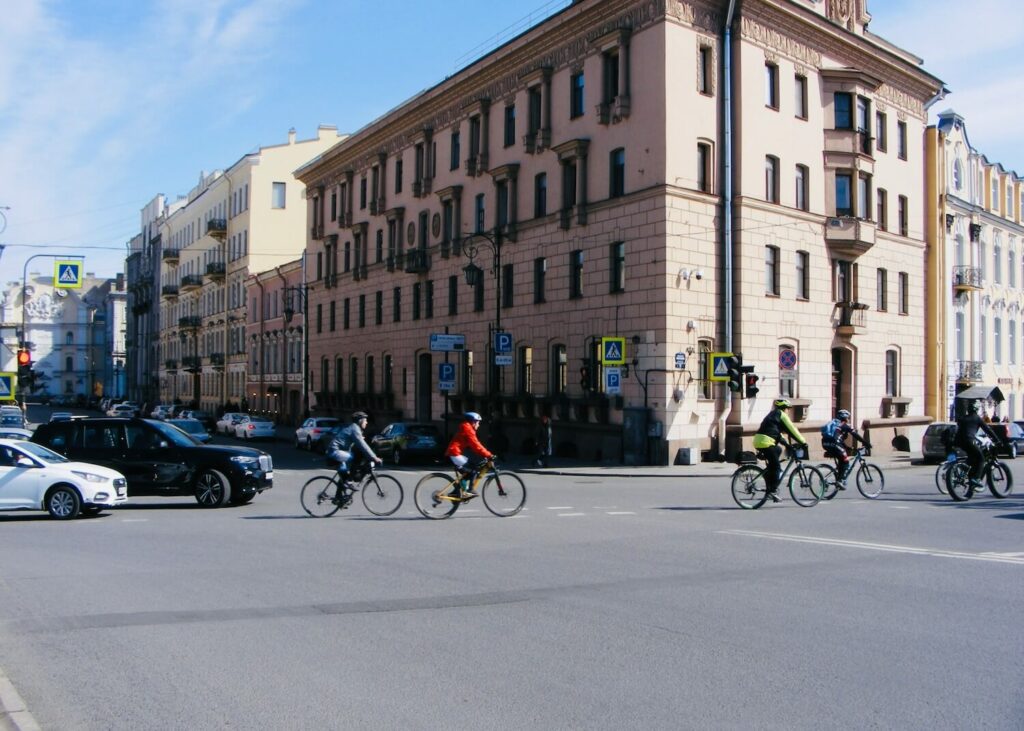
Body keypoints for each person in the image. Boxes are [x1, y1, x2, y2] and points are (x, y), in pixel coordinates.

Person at [752, 399, 809, 502]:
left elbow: (778, 434)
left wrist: (787, 445)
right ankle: (771, 491)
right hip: (765, 442)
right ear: (784, 408)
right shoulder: (781, 414)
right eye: (788, 409)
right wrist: (803, 442)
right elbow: (792, 429)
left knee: (777, 450)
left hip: (761, 441)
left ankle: (770, 478)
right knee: (777, 466)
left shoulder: (773, 415)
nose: (788, 411)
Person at [326, 411, 382, 505]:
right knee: (353, 457)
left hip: (338, 452)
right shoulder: (354, 429)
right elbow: (363, 446)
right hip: (335, 452)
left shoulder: (355, 429)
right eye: (365, 421)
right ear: (360, 421)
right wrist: (374, 458)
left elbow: (360, 444)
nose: (366, 423)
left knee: (344, 476)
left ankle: (338, 498)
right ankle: (349, 481)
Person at [444, 411, 495, 497]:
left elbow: (474, 446)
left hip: (456, 453)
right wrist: (488, 455)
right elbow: (476, 445)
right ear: (473, 422)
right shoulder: (468, 429)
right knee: (473, 471)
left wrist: (483, 454)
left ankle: (456, 491)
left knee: (471, 468)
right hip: (455, 453)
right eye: (478, 422)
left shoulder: (467, 428)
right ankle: (470, 489)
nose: (479, 425)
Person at [954, 400, 1002, 491]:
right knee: (981, 459)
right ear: (976, 409)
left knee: (972, 458)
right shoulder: (976, 418)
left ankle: (968, 474)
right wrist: (997, 440)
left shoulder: (963, 418)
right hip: (969, 441)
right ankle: (976, 479)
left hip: (959, 442)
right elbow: (988, 430)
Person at [820, 409, 867, 488]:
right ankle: (840, 481)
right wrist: (866, 443)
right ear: (844, 418)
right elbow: (855, 434)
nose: (848, 420)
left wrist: (847, 447)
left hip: (825, 444)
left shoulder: (834, 425)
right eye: (848, 418)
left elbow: (838, 439)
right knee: (845, 461)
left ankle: (838, 478)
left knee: (841, 460)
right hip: (834, 444)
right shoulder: (843, 425)